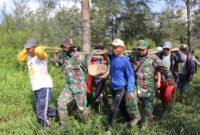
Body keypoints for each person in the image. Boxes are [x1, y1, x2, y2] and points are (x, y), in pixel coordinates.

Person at [129, 39, 175, 128]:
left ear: (147, 48)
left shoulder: (153, 58)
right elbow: (125, 62)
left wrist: (170, 78)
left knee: (148, 105)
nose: (140, 51)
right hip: (135, 86)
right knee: (131, 102)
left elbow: (164, 69)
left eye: (142, 49)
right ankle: (137, 117)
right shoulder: (133, 56)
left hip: (148, 87)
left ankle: (146, 122)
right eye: (139, 49)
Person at [17, 39, 57, 128]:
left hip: (44, 86)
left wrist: (41, 47)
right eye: (26, 48)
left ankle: (46, 129)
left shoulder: (42, 56)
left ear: (35, 48)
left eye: (29, 48)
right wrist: (27, 49)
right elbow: (19, 57)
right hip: (36, 87)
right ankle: (58, 114)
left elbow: (39, 51)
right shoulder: (28, 57)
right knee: (41, 109)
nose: (27, 50)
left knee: (41, 113)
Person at [104, 39, 141, 134]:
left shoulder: (125, 61)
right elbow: (106, 55)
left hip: (121, 88)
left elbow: (131, 76)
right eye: (113, 47)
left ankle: (109, 129)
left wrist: (129, 91)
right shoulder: (112, 57)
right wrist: (105, 53)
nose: (114, 49)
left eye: (116, 47)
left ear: (122, 49)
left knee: (113, 108)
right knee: (121, 106)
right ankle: (128, 120)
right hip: (113, 86)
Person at [52, 38, 88, 126]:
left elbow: (87, 70)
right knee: (60, 103)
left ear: (71, 47)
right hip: (68, 86)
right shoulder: (63, 56)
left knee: (82, 108)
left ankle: (86, 124)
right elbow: (56, 64)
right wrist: (55, 54)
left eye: (66, 47)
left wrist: (83, 83)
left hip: (79, 87)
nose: (64, 49)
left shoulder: (80, 56)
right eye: (63, 47)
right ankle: (64, 126)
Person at [156, 41, 178, 118]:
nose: (166, 50)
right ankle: (164, 107)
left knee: (167, 94)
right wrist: (158, 80)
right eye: (164, 49)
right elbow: (158, 69)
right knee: (162, 96)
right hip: (162, 79)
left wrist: (175, 79)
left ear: (170, 49)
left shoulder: (174, 57)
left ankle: (166, 110)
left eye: (167, 49)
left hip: (171, 79)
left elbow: (176, 68)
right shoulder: (159, 56)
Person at [87, 43, 109, 112]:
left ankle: (98, 109)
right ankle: (102, 107)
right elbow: (89, 66)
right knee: (100, 92)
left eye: (100, 49)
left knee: (100, 93)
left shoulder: (105, 57)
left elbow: (108, 66)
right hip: (94, 78)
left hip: (102, 78)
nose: (98, 51)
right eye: (97, 49)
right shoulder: (92, 57)